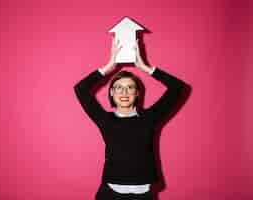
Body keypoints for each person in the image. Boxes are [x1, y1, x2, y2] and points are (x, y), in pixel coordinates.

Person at [74, 36, 186, 200]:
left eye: (129, 88)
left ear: (137, 93)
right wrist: (108, 67)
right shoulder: (105, 120)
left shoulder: (150, 118)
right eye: (118, 88)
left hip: (143, 195)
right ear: (111, 93)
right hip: (109, 194)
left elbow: (177, 87)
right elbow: (80, 89)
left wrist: (146, 67)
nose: (124, 92)